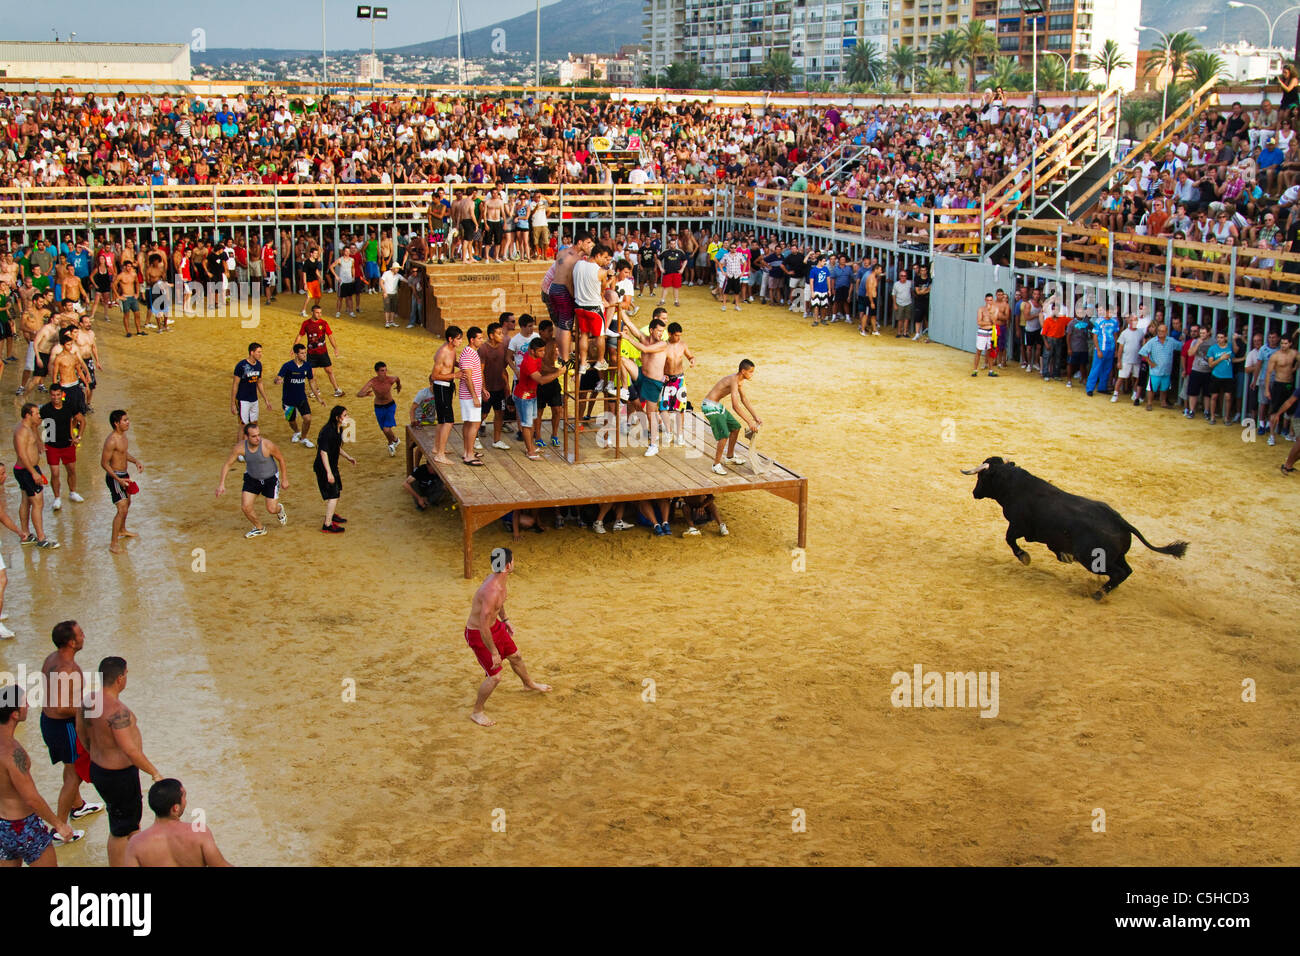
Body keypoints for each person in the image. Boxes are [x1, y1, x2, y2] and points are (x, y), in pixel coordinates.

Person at [78, 656, 162, 867]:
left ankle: (135, 860)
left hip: (100, 769)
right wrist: (155, 773)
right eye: (126, 674)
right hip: (119, 776)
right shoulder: (118, 711)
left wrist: (94, 751)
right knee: (120, 828)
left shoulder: (89, 700)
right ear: (119, 679)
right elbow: (130, 750)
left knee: (127, 824)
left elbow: (81, 731)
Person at [463, 548, 550, 727]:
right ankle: (477, 712)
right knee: (495, 677)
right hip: (479, 633)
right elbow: (482, 625)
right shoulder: (491, 590)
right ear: (508, 565)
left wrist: (506, 620)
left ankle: (528, 684)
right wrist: (493, 651)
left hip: (494, 627)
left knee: (516, 656)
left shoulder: (499, 580)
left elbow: (499, 605)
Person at [39, 621, 102, 837]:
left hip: (49, 722)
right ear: (72, 642)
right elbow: (61, 706)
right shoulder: (67, 668)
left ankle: (78, 806)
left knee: (70, 767)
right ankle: (61, 827)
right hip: (63, 726)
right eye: (80, 633)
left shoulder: (52, 658)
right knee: (73, 774)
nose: (84, 635)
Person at [0, 684, 74, 866]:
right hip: (25, 827)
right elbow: (31, 798)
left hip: (2, 826)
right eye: (24, 703)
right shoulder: (13, 752)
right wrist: (59, 824)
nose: (28, 706)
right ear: (15, 714)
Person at [123, 779, 231, 867]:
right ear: (175, 808)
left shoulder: (136, 843)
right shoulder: (198, 832)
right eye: (184, 797)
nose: (185, 801)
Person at [216, 423, 289, 538]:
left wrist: (284, 479)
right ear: (246, 437)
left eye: (259, 435)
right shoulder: (239, 448)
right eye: (254, 436)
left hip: (270, 479)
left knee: (271, 509)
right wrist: (221, 484)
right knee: (245, 507)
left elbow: (281, 459)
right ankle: (259, 528)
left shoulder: (267, 445)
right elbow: (228, 464)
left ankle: (279, 509)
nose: (258, 438)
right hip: (252, 478)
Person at [700, 360, 762, 475]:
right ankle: (716, 465)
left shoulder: (740, 380)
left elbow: (744, 399)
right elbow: (735, 406)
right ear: (743, 371)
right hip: (709, 406)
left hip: (716, 405)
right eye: (751, 372)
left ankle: (729, 457)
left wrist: (755, 416)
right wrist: (749, 422)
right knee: (724, 435)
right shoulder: (733, 380)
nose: (752, 374)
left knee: (735, 427)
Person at [12, 402, 57, 549]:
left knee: (26, 501)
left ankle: (26, 534)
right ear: (27, 415)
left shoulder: (30, 427)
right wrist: (34, 473)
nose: (39, 416)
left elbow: (34, 437)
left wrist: (38, 442)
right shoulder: (21, 431)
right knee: (38, 504)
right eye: (36, 413)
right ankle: (41, 538)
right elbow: (21, 454)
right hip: (27, 470)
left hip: (27, 469)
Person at [101, 409, 143, 554]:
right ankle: (113, 544)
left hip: (124, 474)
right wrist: (118, 479)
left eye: (128, 419)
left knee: (128, 503)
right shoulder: (111, 440)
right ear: (116, 423)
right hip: (115, 477)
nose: (128, 422)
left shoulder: (123, 437)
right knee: (122, 508)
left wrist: (135, 461)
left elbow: (123, 454)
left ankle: (122, 530)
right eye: (125, 420)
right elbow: (104, 463)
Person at [40, 384, 84, 512]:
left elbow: (82, 420)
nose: (55, 398)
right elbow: (35, 424)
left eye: (58, 395)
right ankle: (57, 498)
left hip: (68, 444)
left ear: (62, 394)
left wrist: (78, 437)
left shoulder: (69, 406)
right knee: (55, 473)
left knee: (71, 471)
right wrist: (39, 441)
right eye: (53, 395)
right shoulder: (45, 409)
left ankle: (72, 492)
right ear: (50, 395)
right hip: (51, 445)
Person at [313, 405, 355, 533]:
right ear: (337, 418)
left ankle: (331, 514)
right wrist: (329, 473)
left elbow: (336, 447)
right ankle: (328, 524)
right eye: (345, 415)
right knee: (334, 494)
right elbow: (323, 452)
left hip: (331, 466)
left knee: (335, 492)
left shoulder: (337, 429)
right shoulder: (328, 432)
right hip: (324, 468)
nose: (347, 417)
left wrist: (348, 457)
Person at [275, 343, 322, 449]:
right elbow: (278, 378)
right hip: (288, 400)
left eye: (305, 353)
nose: (304, 355)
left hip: (302, 398)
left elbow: (311, 381)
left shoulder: (307, 366)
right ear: (296, 354)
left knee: (308, 419)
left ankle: (304, 438)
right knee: (291, 420)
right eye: (302, 353)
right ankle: (296, 432)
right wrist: (278, 380)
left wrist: (317, 396)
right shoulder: (287, 366)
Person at [429, 326, 462, 464]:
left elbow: (450, 363)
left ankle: (437, 448)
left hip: (447, 387)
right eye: (458, 339)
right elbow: (434, 375)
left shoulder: (451, 349)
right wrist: (454, 375)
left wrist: (460, 365)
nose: (460, 341)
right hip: (441, 387)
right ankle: (440, 454)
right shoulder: (443, 352)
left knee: (442, 420)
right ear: (451, 339)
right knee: (448, 421)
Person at [295, 305, 344, 397]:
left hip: (323, 353)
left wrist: (335, 347)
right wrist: (294, 347)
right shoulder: (306, 324)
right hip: (311, 354)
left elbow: (330, 336)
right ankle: (315, 390)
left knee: (329, 371)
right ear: (312, 313)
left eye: (320, 312)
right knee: (311, 374)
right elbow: (300, 335)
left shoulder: (324, 323)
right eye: (317, 312)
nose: (319, 314)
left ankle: (337, 389)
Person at [231, 342, 272, 451]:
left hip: (254, 399)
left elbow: (259, 383)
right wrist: (233, 404)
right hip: (242, 400)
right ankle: (240, 450)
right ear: (251, 352)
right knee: (243, 426)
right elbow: (235, 384)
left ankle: (250, 447)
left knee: (254, 423)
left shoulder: (258, 365)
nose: (260, 354)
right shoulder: (241, 366)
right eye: (258, 352)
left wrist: (266, 400)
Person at [478, 322, 512, 451]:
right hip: (487, 389)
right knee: (483, 415)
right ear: (491, 335)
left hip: (499, 388)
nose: (502, 336)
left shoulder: (503, 347)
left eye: (502, 333)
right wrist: (483, 388)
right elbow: (480, 370)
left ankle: (497, 440)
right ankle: (474, 438)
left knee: (500, 414)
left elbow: (503, 369)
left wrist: (506, 386)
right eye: (499, 334)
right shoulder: (483, 349)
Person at [357, 362, 403, 456]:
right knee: (384, 429)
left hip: (390, 406)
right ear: (377, 372)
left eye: (385, 370)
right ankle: (395, 440)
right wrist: (365, 394)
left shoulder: (390, 379)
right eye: (382, 371)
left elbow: (397, 379)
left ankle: (390, 444)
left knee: (386, 429)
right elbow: (359, 393)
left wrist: (398, 386)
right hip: (378, 408)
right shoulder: (372, 382)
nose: (385, 372)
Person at [1138, 323, 1178, 411]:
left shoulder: (1171, 341)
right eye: (1159, 331)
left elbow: (1181, 347)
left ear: (1166, 332)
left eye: (1163, 331)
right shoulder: (1152, 341)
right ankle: (1149, 403)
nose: (1160, 332)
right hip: (1155, 370)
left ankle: (1163, 402)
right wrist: (1150, 362)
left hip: (1166, 370)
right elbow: (1142, 352)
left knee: (1164, 387)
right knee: (1152, 388)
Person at [1086, 307, 1119, 396]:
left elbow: (1115, 335)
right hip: (1101, 348)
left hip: (1110, 349)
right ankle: (1090, 388)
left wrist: (1115, 349)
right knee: (1096, 368)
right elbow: (1095, 336)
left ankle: (1102, 387)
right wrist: (1098, 350)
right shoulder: (1099, 321)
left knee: (1107, 369)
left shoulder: (1114, 322)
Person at [1205, 330, 1236, 426]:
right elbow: (1210, 364)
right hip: (1216, 375)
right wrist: (1221, 358)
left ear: (1226, 338)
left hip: (1228, 376)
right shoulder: (1213, 348)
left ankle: (1226, 417)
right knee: (1214, 396)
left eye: (1222, 337)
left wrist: (1243, 358)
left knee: (1228, 397)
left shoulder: (1230, 346)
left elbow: (1233, 358)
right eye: (1218, 337)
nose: (1219, 339)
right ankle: (1213, 416)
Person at [1112, 314, 1145, 403]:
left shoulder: (1141, 333)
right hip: (1126, 359)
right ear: (1129, 321)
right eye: (1132, 320)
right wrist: (1119, 361)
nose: (1134, 322)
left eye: (1136, 320)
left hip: (1137, 360)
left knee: (1137, 377)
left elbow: (1143, 345)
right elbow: (1120, 348)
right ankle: (1115, 394)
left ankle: (1135, 393)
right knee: (1121, 377)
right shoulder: (1124, 333)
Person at [972, 294, 998, 377]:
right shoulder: (981, 309)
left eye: (990, 300)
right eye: (988, 300)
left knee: (990, 351)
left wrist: (990, 313)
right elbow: (979, 322)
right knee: (979, 351)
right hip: (982, 331)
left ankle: (990, 370)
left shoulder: (995, 309)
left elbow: (994, 321)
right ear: (985, 300)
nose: (989, 302)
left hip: (991, 332)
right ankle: (975, 370)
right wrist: (988, 323)